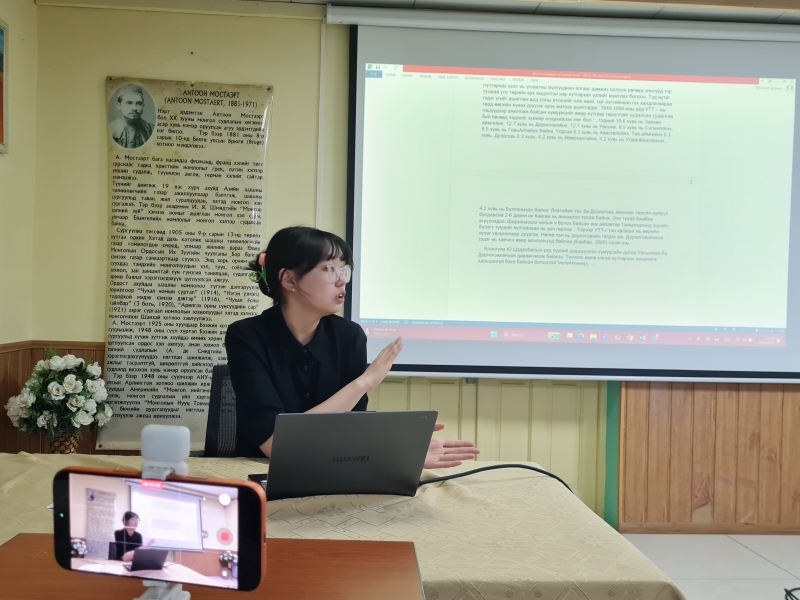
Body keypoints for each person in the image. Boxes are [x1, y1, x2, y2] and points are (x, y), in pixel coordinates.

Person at [226, 226, 480, 467]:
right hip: (261, 473)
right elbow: (277, 445)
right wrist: (363, 383)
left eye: (343, 269)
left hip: (332, 467)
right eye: (329, 269)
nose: (341, 281)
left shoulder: (349, 336)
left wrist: (398, 451)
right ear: (289, 279)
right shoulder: (246, 336)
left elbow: (351, 429)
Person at [109, 84, 154, 149]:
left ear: (143, 106)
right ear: (118, 105)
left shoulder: (151, 129)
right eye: (129, 103)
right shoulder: (111, 129)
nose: (134, 108)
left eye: (139, 103)